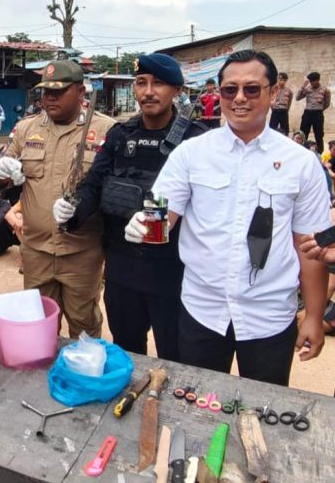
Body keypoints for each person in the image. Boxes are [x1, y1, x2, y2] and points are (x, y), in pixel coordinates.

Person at [127, 50, 330, 386]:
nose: (239, 98)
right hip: (202, 311)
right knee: (196, 409)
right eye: (229, 89)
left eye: (252, 89)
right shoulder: (192, 153)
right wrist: (145, 226)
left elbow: (310, 248)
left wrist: (312, 314)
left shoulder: (301, 163)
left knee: (265, 409)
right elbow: (160, 217)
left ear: (272, 92)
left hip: (269, 315)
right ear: (218, 93)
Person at [56, 53, 207, 361]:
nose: (148, 91)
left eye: (159, 83)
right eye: (141, 83)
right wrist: (73, 211)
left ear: (177, 90)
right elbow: (94, 185)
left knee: (175, 358)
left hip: (173, 272)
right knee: (127, 355)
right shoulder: (120, 135)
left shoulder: (196, 140)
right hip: (122, 269)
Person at [0, 60, 115, 338]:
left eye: (59, 91)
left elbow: (111, 189)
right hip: (36, 250)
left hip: (81, 252)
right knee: (37, 324)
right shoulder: (26, 129)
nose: (49, 97)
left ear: (81, 92)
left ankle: (80, 377)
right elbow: (0, 174)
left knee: (83, 324)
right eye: (46, 91)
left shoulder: (106, 131)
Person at [297, 71, 331, 153]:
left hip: (318, 115)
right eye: (310, 81)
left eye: (312, 81)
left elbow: (327, 103)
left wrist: (319, 109)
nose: (311, 83)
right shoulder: (307, 88)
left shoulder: (325, 90)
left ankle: (320, 153)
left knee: (319, 135)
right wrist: (303, 86)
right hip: (307, 114)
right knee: (303, 133)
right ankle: (301, 151)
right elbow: (297, 97)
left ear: (317, 80)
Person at [269, 72, 293, 136]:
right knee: (272, 129)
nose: (282, 81)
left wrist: (286, 109)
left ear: (286, 81)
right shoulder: (273, 89)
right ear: (278, 79)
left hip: (284, 111)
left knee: (285, 130)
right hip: (275, 111)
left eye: (284, 80)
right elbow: (270, 100)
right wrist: (273, 108)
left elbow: (290, 101)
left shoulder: (288, 91)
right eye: (280, 79)